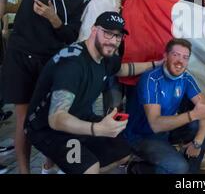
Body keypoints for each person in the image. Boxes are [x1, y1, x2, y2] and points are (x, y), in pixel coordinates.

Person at [24, 11, 151, 174]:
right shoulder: (72, 65)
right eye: (108, 33)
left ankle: (63, 166)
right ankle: (62, 167)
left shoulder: (103, 55)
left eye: (118, 36)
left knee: (124, 150)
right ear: (94, 30)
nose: (113, 41)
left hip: (80, 117)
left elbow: (123, 69)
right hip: (46, 128)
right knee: (89, 168)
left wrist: (155, 64)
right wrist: (98, 129)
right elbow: (56, 118)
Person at [0, 0, 84, 173]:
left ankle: (50, 165)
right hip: (21, 59)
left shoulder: (76, 0)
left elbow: (70, 35)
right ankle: (25, 171)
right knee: (24, 121)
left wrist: (53, 18)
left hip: (52, 64)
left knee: (52, 117)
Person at [124, 38, 205, 174]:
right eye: (176, 55)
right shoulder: (151, 79)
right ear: (165, 56)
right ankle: (136, 168)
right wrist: (193, 114)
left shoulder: (185, 77)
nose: (180, 61)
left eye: (185, 57)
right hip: (140, 136)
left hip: (165, 132)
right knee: (178, 167)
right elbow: (156, 124)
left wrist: (198, 142)